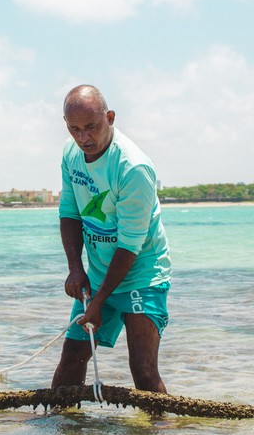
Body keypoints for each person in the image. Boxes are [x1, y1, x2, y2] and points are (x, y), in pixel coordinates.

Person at [53, 85, 172, 394]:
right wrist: (75, 268)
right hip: (97, 274)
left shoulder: (133, 168)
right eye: (74, 129)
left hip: (141, 275)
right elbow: (69, 212)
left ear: (110, 117)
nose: (83, 138)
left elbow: (130, 244)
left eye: (91, 127)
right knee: (70, 362)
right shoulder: (71, 153)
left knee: (143, 371)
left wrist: (100, 300)